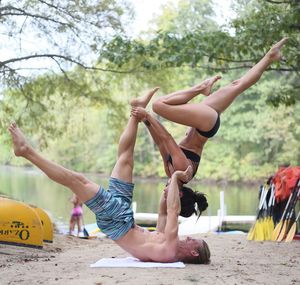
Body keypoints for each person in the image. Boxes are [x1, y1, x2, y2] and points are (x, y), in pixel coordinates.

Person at [8, 90, 210, 264]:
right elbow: (165, 213)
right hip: (125, 217)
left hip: (116, 222)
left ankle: (26, 151)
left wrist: (176, 177)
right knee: (125, 160)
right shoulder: (167, 239)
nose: (190, 237)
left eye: (194, 241)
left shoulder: (170, 250)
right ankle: (135, 111)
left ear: (193, 252)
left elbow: (173, 210)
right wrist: (170, 190)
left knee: (77, 180)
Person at [131, 37, 288, 212]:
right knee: (159, 106)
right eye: (167, 196)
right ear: (179, 195)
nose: (164, 192)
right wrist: (148, 115)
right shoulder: (183, 172)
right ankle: (201, 87)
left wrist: (145, 120)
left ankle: (269, 57)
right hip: (204, 125)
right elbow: (167, 138)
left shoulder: (170, 172)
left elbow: (160, 142)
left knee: (237, 85)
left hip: (203, 124)